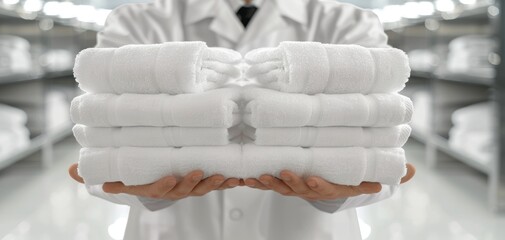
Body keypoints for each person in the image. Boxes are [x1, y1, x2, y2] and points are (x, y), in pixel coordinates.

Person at [68, 0, 416, 239]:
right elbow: (107, 130)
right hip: (172, 228)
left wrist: (340, 192)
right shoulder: (137, 19)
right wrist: (141, 189)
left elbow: (375, 133)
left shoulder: (349, 21)